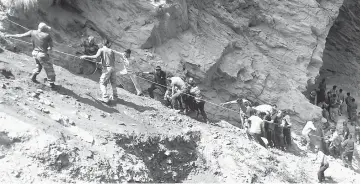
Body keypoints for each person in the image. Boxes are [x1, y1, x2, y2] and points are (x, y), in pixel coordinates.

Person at [5, 22, 56, 88]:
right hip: (42, 54)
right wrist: (48, 48)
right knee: (49, 69)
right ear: (44, 29)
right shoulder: (47, 36)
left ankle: (33, 77)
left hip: (34, 53)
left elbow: (21, 35)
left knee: (38, 66)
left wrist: (10, 35)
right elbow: (51, 47)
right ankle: (51, 84)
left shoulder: (32, 32)